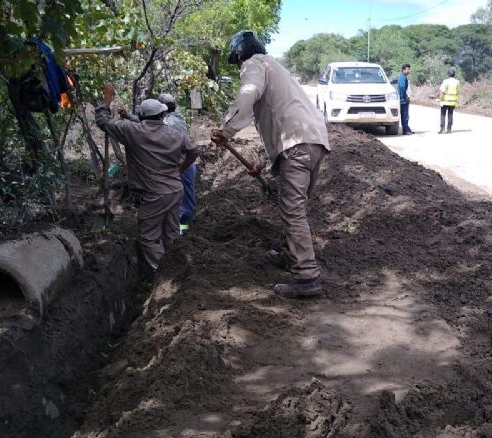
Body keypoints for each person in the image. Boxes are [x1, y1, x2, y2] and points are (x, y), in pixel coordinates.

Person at [210, 30, 330, 298]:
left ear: (240, 55)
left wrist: (226, 129)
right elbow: (279, 119)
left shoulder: (255, 64)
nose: (239, 66)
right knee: (296, 208)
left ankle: (307, 277)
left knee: (293, 211)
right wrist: (264, 164)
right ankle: (292, 255)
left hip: (296, 145)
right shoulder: (277, 68)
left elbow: (248, 95)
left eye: (237, 61)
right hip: (314, 142)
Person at [95, 85, 202, 273]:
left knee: (148, 237)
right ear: (163, 114)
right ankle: (178, 269)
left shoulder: (133, 132)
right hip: (175, 190)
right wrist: (180, 169)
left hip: (155, 194)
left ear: (143, 117)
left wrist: (107, 98)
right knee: (171, 232)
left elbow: (103, 121)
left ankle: (162, 273)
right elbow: (195, 150)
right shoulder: (175, 133)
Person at [157, 93, 197, 234]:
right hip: (181, 165)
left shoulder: (170, 122)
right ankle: (175, 228)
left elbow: (152, 126)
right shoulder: (174, 118)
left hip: (183, 165)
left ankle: (182, 230)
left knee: (185, 199)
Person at [437, 69, 459, 134]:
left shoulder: (445, 81)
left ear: (448, 75)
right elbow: (458, 91)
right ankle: (449, 129)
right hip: (453, 101)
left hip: (445, 101)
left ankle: (442, 129)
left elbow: (442, 91)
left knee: (443, 115)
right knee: (450, 115)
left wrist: (440, 100)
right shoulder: (457, 82)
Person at [398, 63, 413, 135]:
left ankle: (407, 129)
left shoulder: (404, 77)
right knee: (405, 114)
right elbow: (402, 87)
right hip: (403, 99)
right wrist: (405, 97)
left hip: (404, 99)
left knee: (406, 115)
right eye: (408, 69)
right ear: (403, 70)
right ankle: (406, 130)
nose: (409, 71)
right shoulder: (402, 77)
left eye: (409, 69)